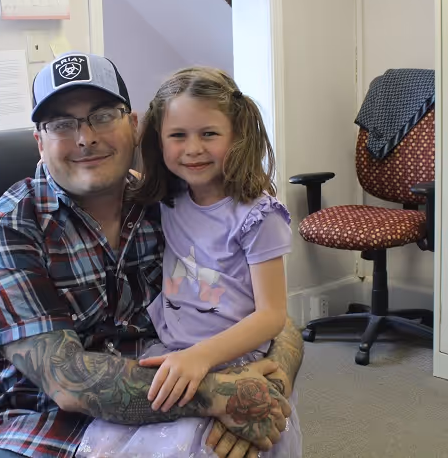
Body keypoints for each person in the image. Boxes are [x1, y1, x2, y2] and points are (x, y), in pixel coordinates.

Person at [0, 52, 304, 458]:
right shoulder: (5, 229)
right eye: (61, 125)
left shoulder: (171, 205)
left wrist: (267, 381)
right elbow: (69, 381)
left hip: (173, 389)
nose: (86, 137)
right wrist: (226, 395)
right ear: (40, 141)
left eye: (103, 115)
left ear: (134, 125)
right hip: (40, 421)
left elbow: (269, 313)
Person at [74, 67, 301, 458]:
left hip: (230, 359)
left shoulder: (258, 217)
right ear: (158, 143)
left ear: (237, 135)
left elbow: (272, 316)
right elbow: (111, 175)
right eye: (177, 136)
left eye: (209, 134)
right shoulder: (167, 198)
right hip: (172, 351)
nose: (193, 149)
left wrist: (202, 357)